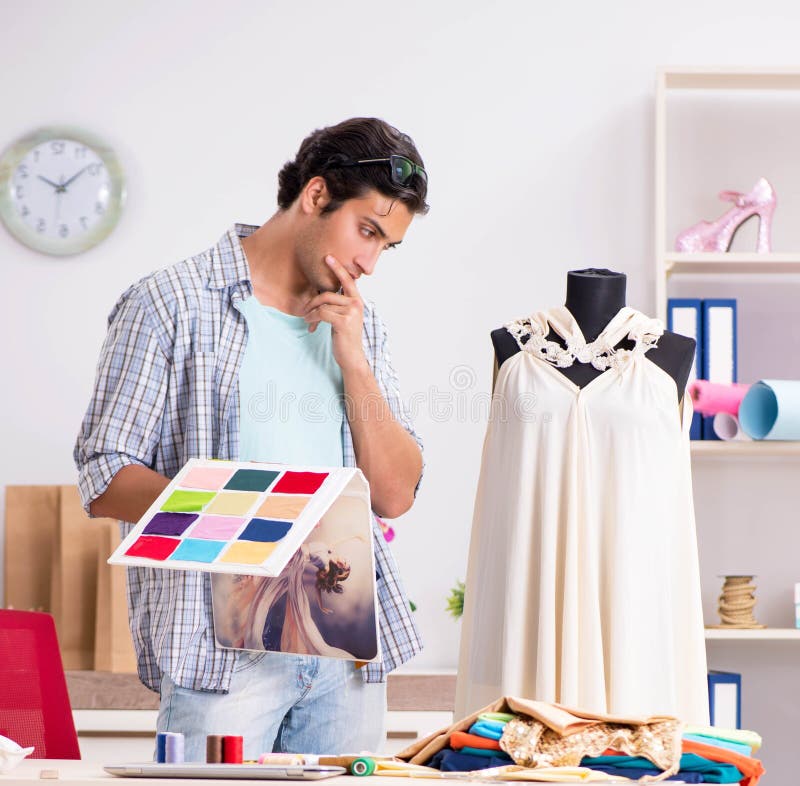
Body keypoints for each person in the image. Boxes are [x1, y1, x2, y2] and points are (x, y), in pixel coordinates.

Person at [73, 117, 428, 760]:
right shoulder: (169, 304)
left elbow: (396, 494)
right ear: (316, 196)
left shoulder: (360, 329)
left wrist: (353, 361)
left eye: (386, 247)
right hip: (222, 659)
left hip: (343, 659)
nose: (369, 263)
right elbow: (104, 476)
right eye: (367, 231)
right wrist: (247, 511)